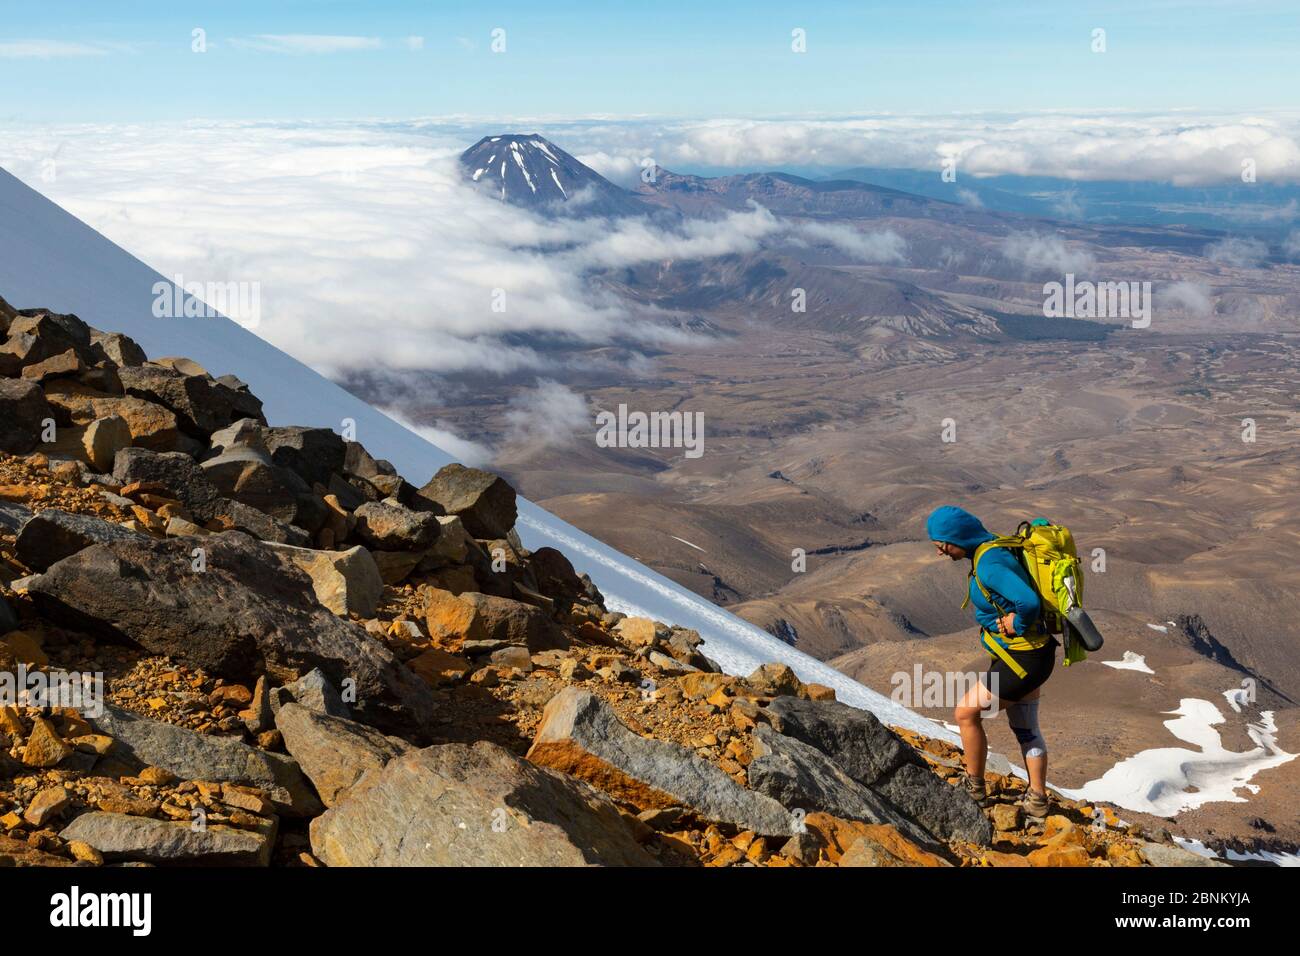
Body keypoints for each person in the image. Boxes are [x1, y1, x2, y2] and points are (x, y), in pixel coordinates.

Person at [926, 505, 1058, 819]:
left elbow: (1028, 602)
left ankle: (974, 789)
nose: (942, 553)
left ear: (957, 537)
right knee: (1025, 727)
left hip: (1023, 658)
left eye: (944, 545)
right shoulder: (993, 546)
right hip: (1031, 655)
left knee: (966, 713)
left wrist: (1018, 624)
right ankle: (1038, 800)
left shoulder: (989, 564)